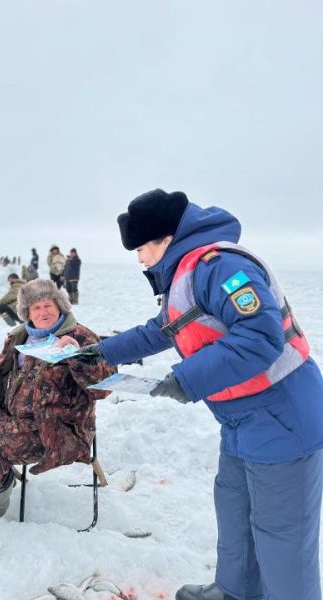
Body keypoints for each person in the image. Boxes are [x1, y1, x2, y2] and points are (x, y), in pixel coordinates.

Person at [74, 189, 323, 600]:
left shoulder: (219, 266)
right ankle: (235, 590)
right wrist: (103, 350)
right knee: (234, 509)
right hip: (242, 421)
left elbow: (260, 338)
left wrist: (185, 379)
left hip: (284, 417)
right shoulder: (185, 276)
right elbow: (162, 329)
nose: (140, 259)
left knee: (281, 534)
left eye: (142, 248)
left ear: (166, 238)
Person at [0, 279, 115, 522]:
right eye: (35, 308)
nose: (43, 312)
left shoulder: (80, 336)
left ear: (60, 306)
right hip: (15, 417)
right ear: (27, 312)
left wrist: (78, 356)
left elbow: (105, 386)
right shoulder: (21, 337)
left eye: (47, 305)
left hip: (54, 429)